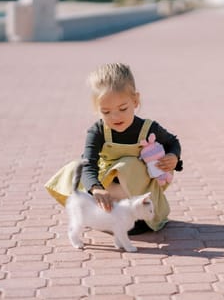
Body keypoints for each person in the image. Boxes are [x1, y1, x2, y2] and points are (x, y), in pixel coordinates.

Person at [45, 63, 182, 235]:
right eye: (106, 111)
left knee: (127, 165)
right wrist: (96, 188)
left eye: (123, 108)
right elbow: (88, 164)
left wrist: (173, 156)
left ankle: (139, 218)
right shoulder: (98, 131)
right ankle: (104, 214)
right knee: (75, 168)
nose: (115, 116)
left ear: (135, 100)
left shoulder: (148, 128)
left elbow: (173, 142)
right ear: (97, 109)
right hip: (108, 186)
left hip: (137, 184)